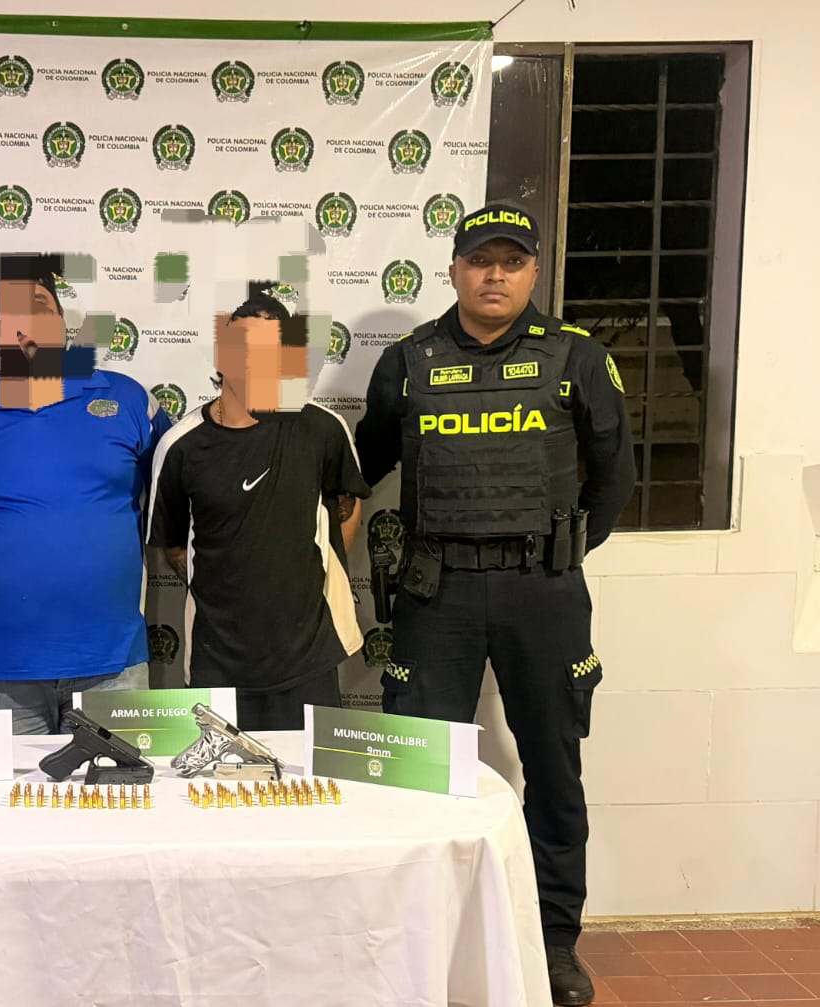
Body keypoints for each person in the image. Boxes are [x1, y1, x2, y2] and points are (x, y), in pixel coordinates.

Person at [353, 205, 635, 1007]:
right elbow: (363, 465)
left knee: (553, 768)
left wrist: (555, 553)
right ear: (454, 270)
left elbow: (615, 477)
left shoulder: (578, 357)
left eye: (512, 261)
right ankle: (420, 935)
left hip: (541, 591)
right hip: (435, 591)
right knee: (416, 768)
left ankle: (554, 941)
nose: (495, 275)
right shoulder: (408, 361)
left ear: (534, 272)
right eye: (481, 260)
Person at [0, 254, 170, 734]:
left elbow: (169, 498)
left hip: (112, 660)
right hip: (4, 665)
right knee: (18, 786)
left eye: (38, 306)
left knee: (120, 784)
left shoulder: (130, 401)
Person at [147, 290, 366, 730]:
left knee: (309, 775)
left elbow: (347, 505)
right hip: (217, 661)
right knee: (221, 775)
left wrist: (307, 573)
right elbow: (174, 547)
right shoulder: (180, 445)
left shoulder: (322, 428)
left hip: (308, 657)